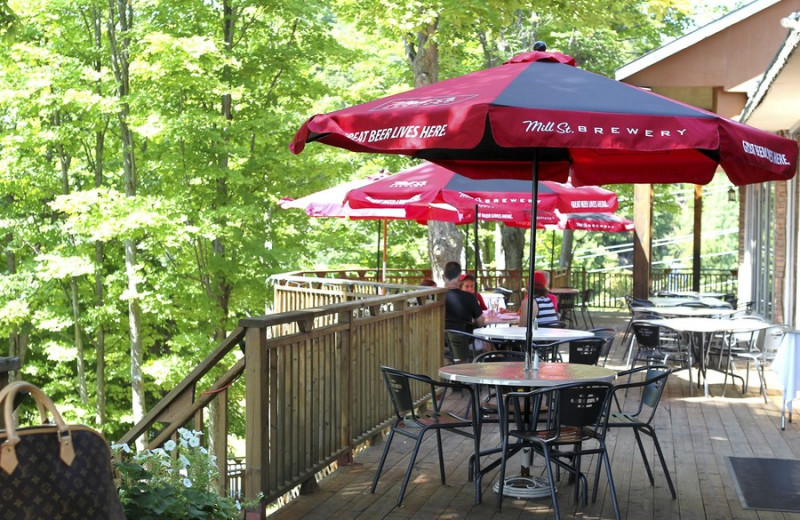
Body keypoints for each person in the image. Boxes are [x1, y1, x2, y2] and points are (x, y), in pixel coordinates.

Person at [443, 261, 485, 332]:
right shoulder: (470, 297)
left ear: (443, 277)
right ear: (459, 277)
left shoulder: (437, 297)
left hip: (441, 337)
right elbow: (480, 323)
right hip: (465, 337)